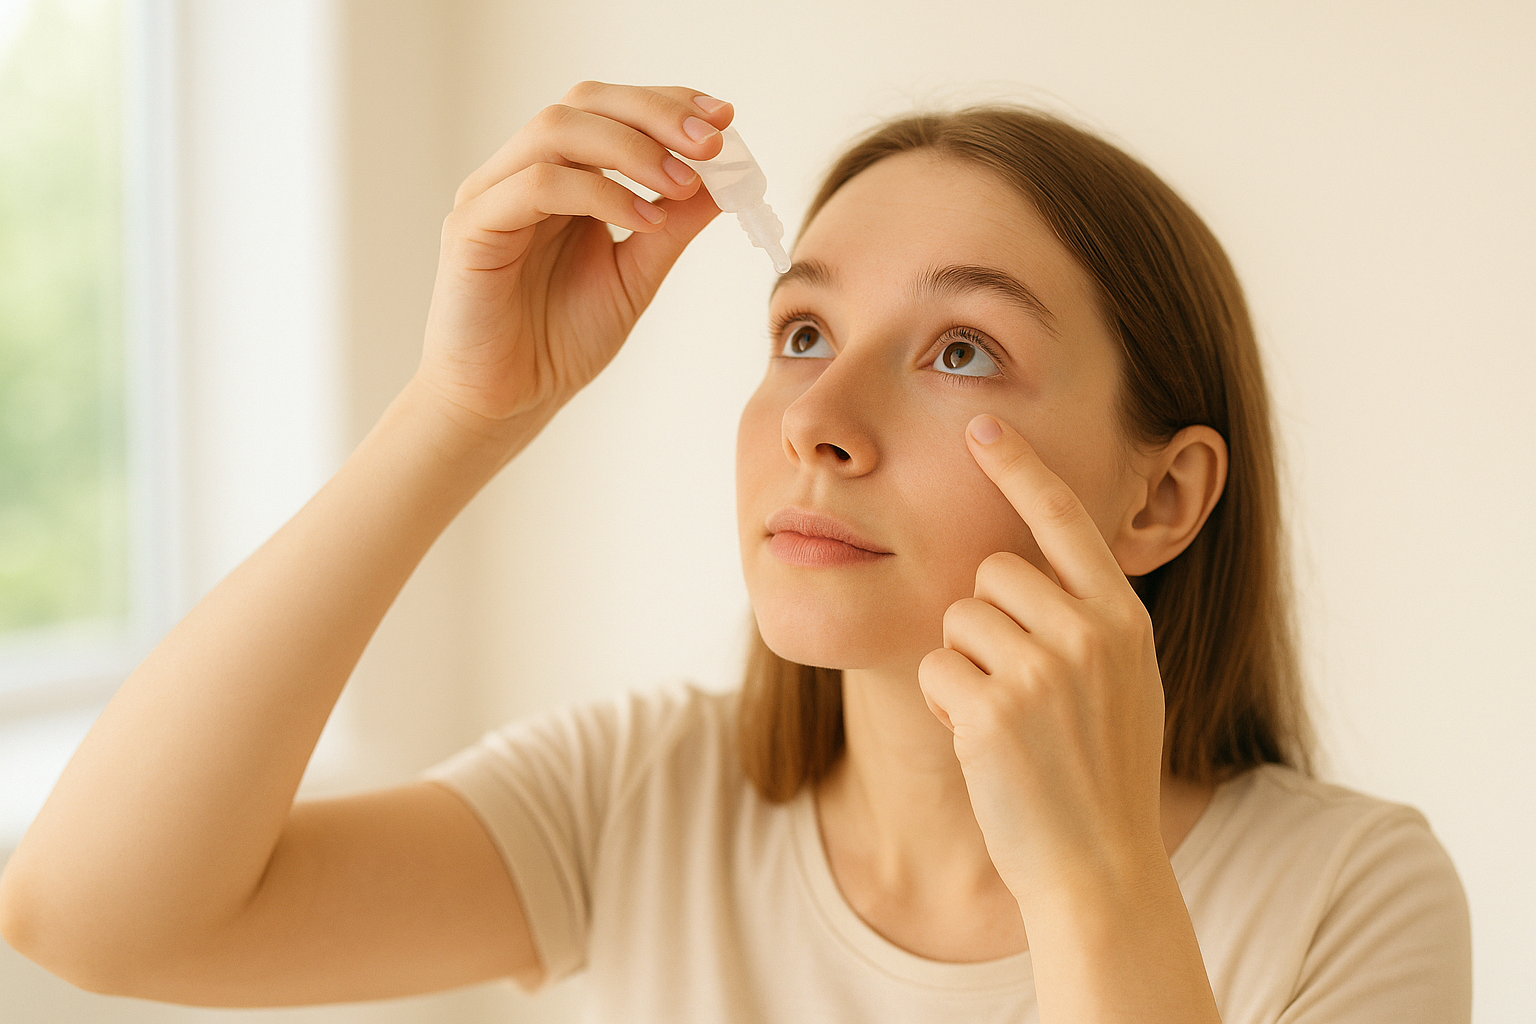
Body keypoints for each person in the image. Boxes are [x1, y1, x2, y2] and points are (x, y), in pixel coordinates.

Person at [0, 82, 1471, 1022]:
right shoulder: (638, 802)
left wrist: (1094, 886)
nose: (817, 420)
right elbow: (92, 916)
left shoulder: (1345, 899)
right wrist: (459, 413)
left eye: (961, 349)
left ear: (1162, 499)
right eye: (804, 332)